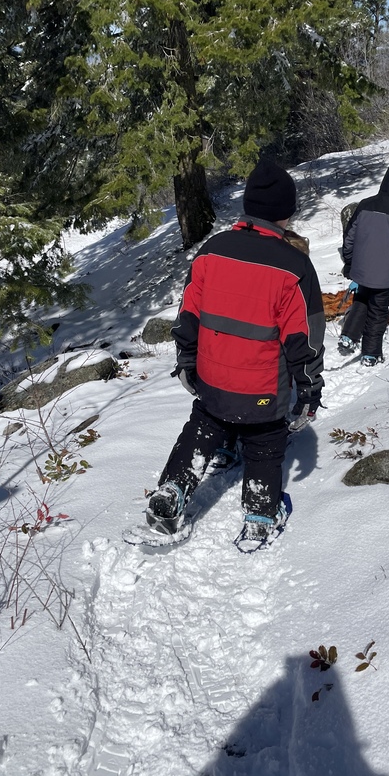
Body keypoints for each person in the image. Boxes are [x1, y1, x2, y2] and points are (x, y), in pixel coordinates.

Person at [145, 157, 325, 540]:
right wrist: (309, 388)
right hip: (262, 391)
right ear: (286, 213)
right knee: (264, 441)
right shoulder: (294, 267)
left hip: (212, 379)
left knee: (204, 425)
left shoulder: (212, 250)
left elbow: (187, 314)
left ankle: (173, 488)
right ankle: (260, 514)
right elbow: (304, 338)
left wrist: (186, 360)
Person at [338, 161, 389, 365]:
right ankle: (371, 354)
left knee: (361, 301)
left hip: (362, 269)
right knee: (377, 312)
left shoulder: (365, 204)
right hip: (385, 275)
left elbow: (349, 238)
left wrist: (349, 262)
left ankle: (348, 336)